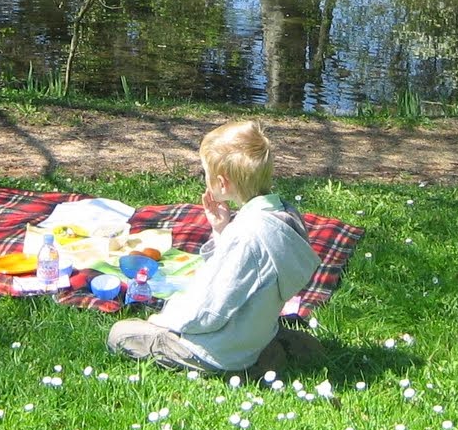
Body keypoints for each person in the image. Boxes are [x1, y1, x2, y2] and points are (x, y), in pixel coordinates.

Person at [107, 119, 323, 377]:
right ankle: (271, 351)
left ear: (222, 183)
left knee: (120, 334)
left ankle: (244, 365)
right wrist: (222, 230)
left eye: (205, 173)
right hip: (254, 331)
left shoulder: (246, 234)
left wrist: (164, 321)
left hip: (215, 351)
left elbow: (209, 311)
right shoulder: (284, 216)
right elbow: (252, 270)